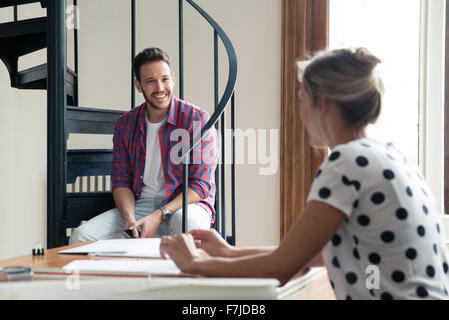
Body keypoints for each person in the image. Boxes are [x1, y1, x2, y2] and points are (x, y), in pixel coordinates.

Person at [160, 48, 449, 300]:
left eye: (301, 100)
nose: (300, 113)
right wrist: (228, 252)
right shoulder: (389, 155)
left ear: (321, 102)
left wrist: (193, 262)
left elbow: (280, 269)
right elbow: (309, 256)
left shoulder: (347, 161)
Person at [69, 47, 219, 243]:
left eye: (165, 79)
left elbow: (201, 185)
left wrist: (159, 214)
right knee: (81, 236)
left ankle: (180, 273)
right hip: (141, 205)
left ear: (173, 79)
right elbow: (121, 181)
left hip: (185, 205)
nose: (160, 88)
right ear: (138, 86)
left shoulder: (196, 119)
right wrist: (130, 219)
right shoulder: (126, 124)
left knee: (185, 223)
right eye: (150, 81)